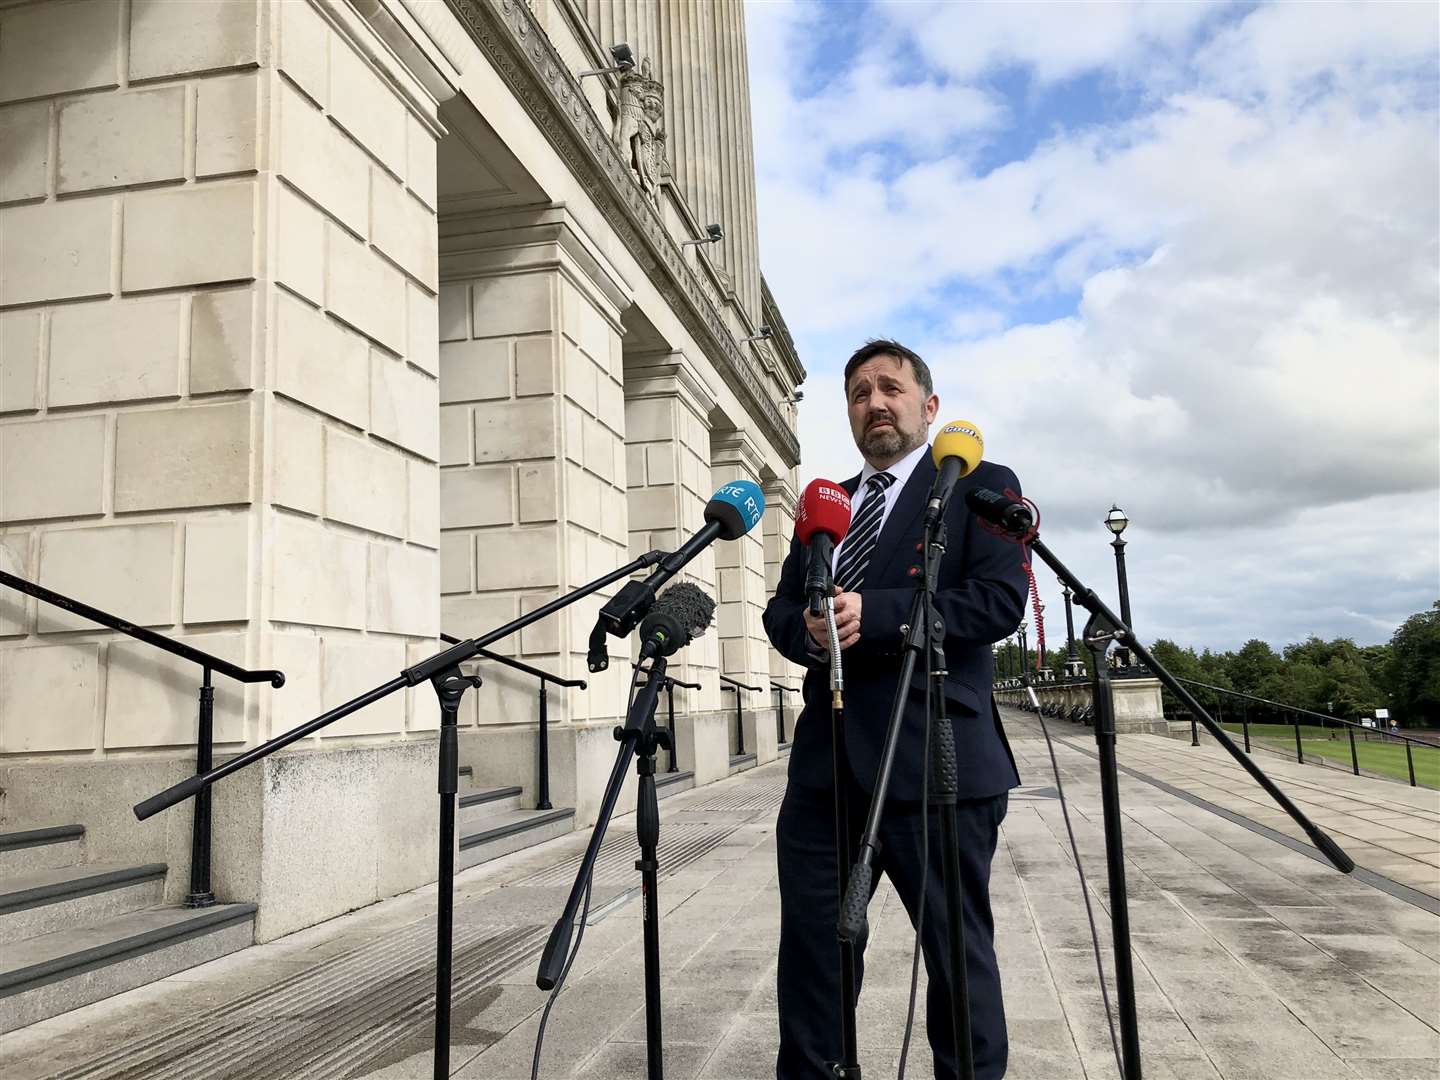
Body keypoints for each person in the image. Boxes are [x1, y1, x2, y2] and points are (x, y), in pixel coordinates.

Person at [763, 340, 1028, 1080]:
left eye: (891, 388)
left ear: (928, 406)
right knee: (814, 961)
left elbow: (998, 601)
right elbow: (780, 611)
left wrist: (871, 616)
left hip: (936, 764)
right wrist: (812, 632)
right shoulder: (827, 504)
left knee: (957, 961)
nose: (874, 402)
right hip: (826, 775)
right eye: (858, 393)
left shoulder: (977, 484)